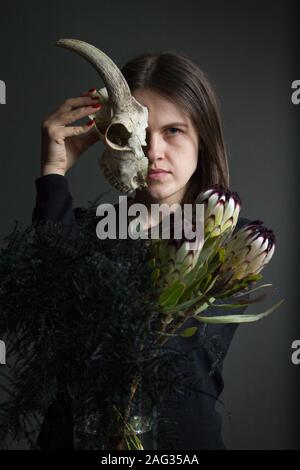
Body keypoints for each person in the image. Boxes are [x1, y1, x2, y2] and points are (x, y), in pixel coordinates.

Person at [32, 51, 250, 450]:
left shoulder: (233, 244)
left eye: (173, 131)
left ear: (203, 137)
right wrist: (54, 173)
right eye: (140, 131)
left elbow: (173, 347)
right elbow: (46, 320)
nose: (153, 151)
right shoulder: (83, 229)